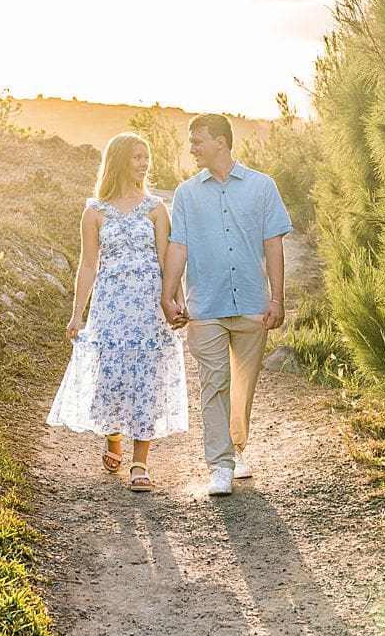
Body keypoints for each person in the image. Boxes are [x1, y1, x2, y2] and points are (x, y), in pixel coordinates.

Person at [47, 132, 188, 492]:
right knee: (109, 377)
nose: (143, 163)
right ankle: (112, 437)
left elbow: (166, 260)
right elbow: (88, 265)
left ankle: (140, 462)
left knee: (146, 378)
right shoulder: (95, 211)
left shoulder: (156, 208)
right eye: (137, 157)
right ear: (120, 160)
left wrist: (174, 301)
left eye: (146, 157)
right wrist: (77, 314)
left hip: (147, 303)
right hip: (110, 305)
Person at [162, 113, 292, 497]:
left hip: (252, 301)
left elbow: (273, 245)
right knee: (214, 382)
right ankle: (220, 464)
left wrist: (277, 298)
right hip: (206, 305)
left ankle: (235, 448)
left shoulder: (262, 187)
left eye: (197, 141)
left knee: (242, 385)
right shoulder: (186, 193)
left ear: (220, 141)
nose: (191, 149)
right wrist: (168, 295)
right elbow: (178, 247)